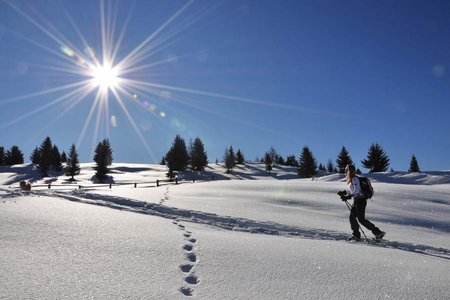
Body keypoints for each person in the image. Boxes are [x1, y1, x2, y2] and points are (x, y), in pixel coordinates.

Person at [342, 164, 385, 241]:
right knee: (352, 218)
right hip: (357, 200)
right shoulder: (352, 179)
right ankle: (356, 235)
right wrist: (345, 193)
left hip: (360, 201)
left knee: (361, 219)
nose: (349, 172)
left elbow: (357, 190)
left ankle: (378, 233)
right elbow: (354, 190)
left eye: (348, 170)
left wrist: (349, 196)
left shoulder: (354, 178)